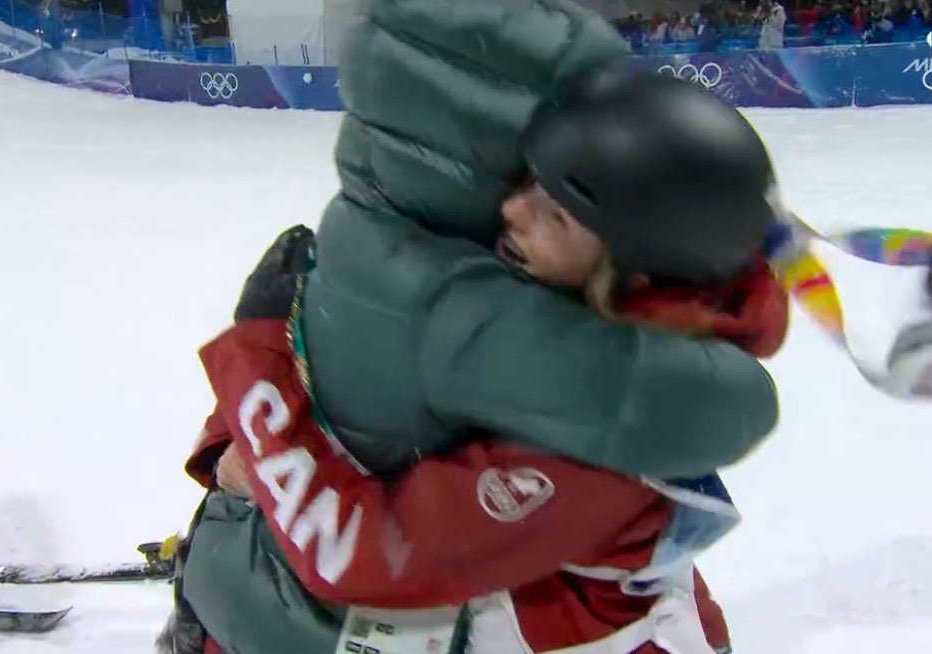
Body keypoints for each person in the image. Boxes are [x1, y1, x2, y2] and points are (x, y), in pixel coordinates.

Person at [167, 71, 789, 654]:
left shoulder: (605, 435)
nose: (512, 211)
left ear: (634, 268)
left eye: (554, 214)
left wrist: (261, 371)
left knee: (244, 590)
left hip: (523, 615)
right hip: (508, 578)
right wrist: (244, 437)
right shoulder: (561, 281)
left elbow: (362, 557)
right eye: (528, 183)